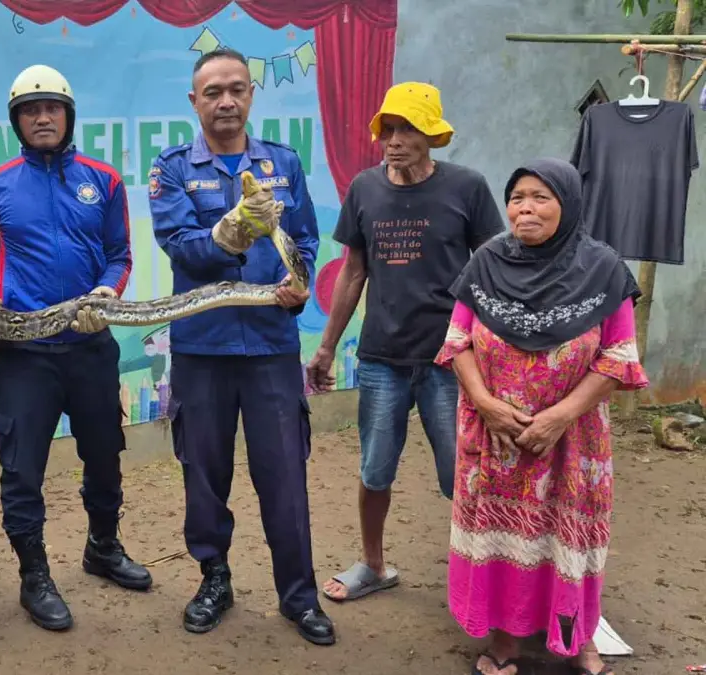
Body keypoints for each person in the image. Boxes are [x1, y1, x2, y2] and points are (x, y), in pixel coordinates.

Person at [0, 64, 150, 632]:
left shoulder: (104, 181)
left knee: (105, 455)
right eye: (30, 110)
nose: (42, 117)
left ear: (68, 116)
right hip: (26, 355)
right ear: (16, 120)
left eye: (52, 108)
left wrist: (107, 291)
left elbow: (121, 254)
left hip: (91, 346)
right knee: (21, 469)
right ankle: (33, 575)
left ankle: (103, 548)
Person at [147, 47, 334, 645]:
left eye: (236, 89)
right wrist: (229, 231)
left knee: (284, 475)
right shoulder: (172, 168)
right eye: (212, 92)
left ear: (251, 94)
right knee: (204, 476)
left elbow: (304, 237)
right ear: (194, 101)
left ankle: (299, 597)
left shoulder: (282, 162)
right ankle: (214, 579)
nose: (225, 101)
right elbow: (180, 245)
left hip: (272, 350)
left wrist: (298, 283)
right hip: (202, 348)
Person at [438, 158, 646, 675]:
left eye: (540, 197)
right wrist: (486, 403)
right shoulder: (486, 261)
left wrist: (558, 416)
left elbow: (620, 358)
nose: (525, 208)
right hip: (495, 439)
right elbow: (456, 341)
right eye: (517, 198)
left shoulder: (603, 269)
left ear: (568, 204)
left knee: (566, 538)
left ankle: (577, 639)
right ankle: (506, 640)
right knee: (503, 537)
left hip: (571, 442)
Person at [305, 82, 505, 603]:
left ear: (432, 136)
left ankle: (481, 569)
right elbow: (353, 272)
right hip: (381, 359)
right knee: (374, 469)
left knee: (457, 473)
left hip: (450, 359)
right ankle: (373, 565)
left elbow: (493, 271)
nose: (393, 140)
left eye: (407, 129)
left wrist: (495, 345)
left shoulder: (467, 188)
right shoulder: (366, 189)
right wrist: (327, 346)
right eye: (387, 129)